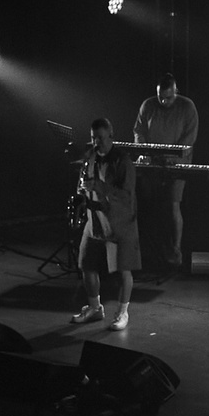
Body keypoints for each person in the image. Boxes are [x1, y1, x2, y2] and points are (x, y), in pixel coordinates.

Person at [68, 117, 139, 331]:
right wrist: (81, 195)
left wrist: (100, 186)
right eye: (93, 138)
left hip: (118, 222)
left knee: (123, 269)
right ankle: (94, 308)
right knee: (86, 264)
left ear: (111, 136)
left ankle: (122, 312)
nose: (96, 142)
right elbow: (84, 184)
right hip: (93, 220)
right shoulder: (90, 157)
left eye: (100, 138)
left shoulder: (122, 161)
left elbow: (126, 195)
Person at [132, 74, 201, 270]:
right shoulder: (148, 105)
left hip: (177, 164)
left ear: (176, 92)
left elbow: (189, 137)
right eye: (161, 97)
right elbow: (139, 130)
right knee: (148, 205)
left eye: (168, 97)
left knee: (173, 205)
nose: (164, 101)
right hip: (151, 164)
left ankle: (175, 250)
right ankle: (148, 251)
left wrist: (172, 157)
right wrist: (143, 151)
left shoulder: (187, 107)